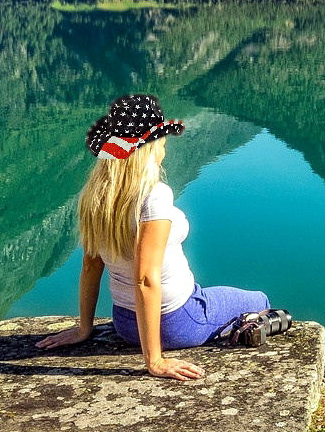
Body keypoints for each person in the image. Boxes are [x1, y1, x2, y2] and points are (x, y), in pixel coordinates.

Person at [34, 94, 290, 380]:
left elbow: (91, 265)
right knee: (259, 299)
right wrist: (154, 361)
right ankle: (242, 330)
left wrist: (84, 328)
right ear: (149, 146)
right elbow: (145, 279)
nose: (165, 147)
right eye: (161, 140)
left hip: (125, 322)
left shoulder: (96, 196)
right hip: (179, 320)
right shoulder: (153, 197)